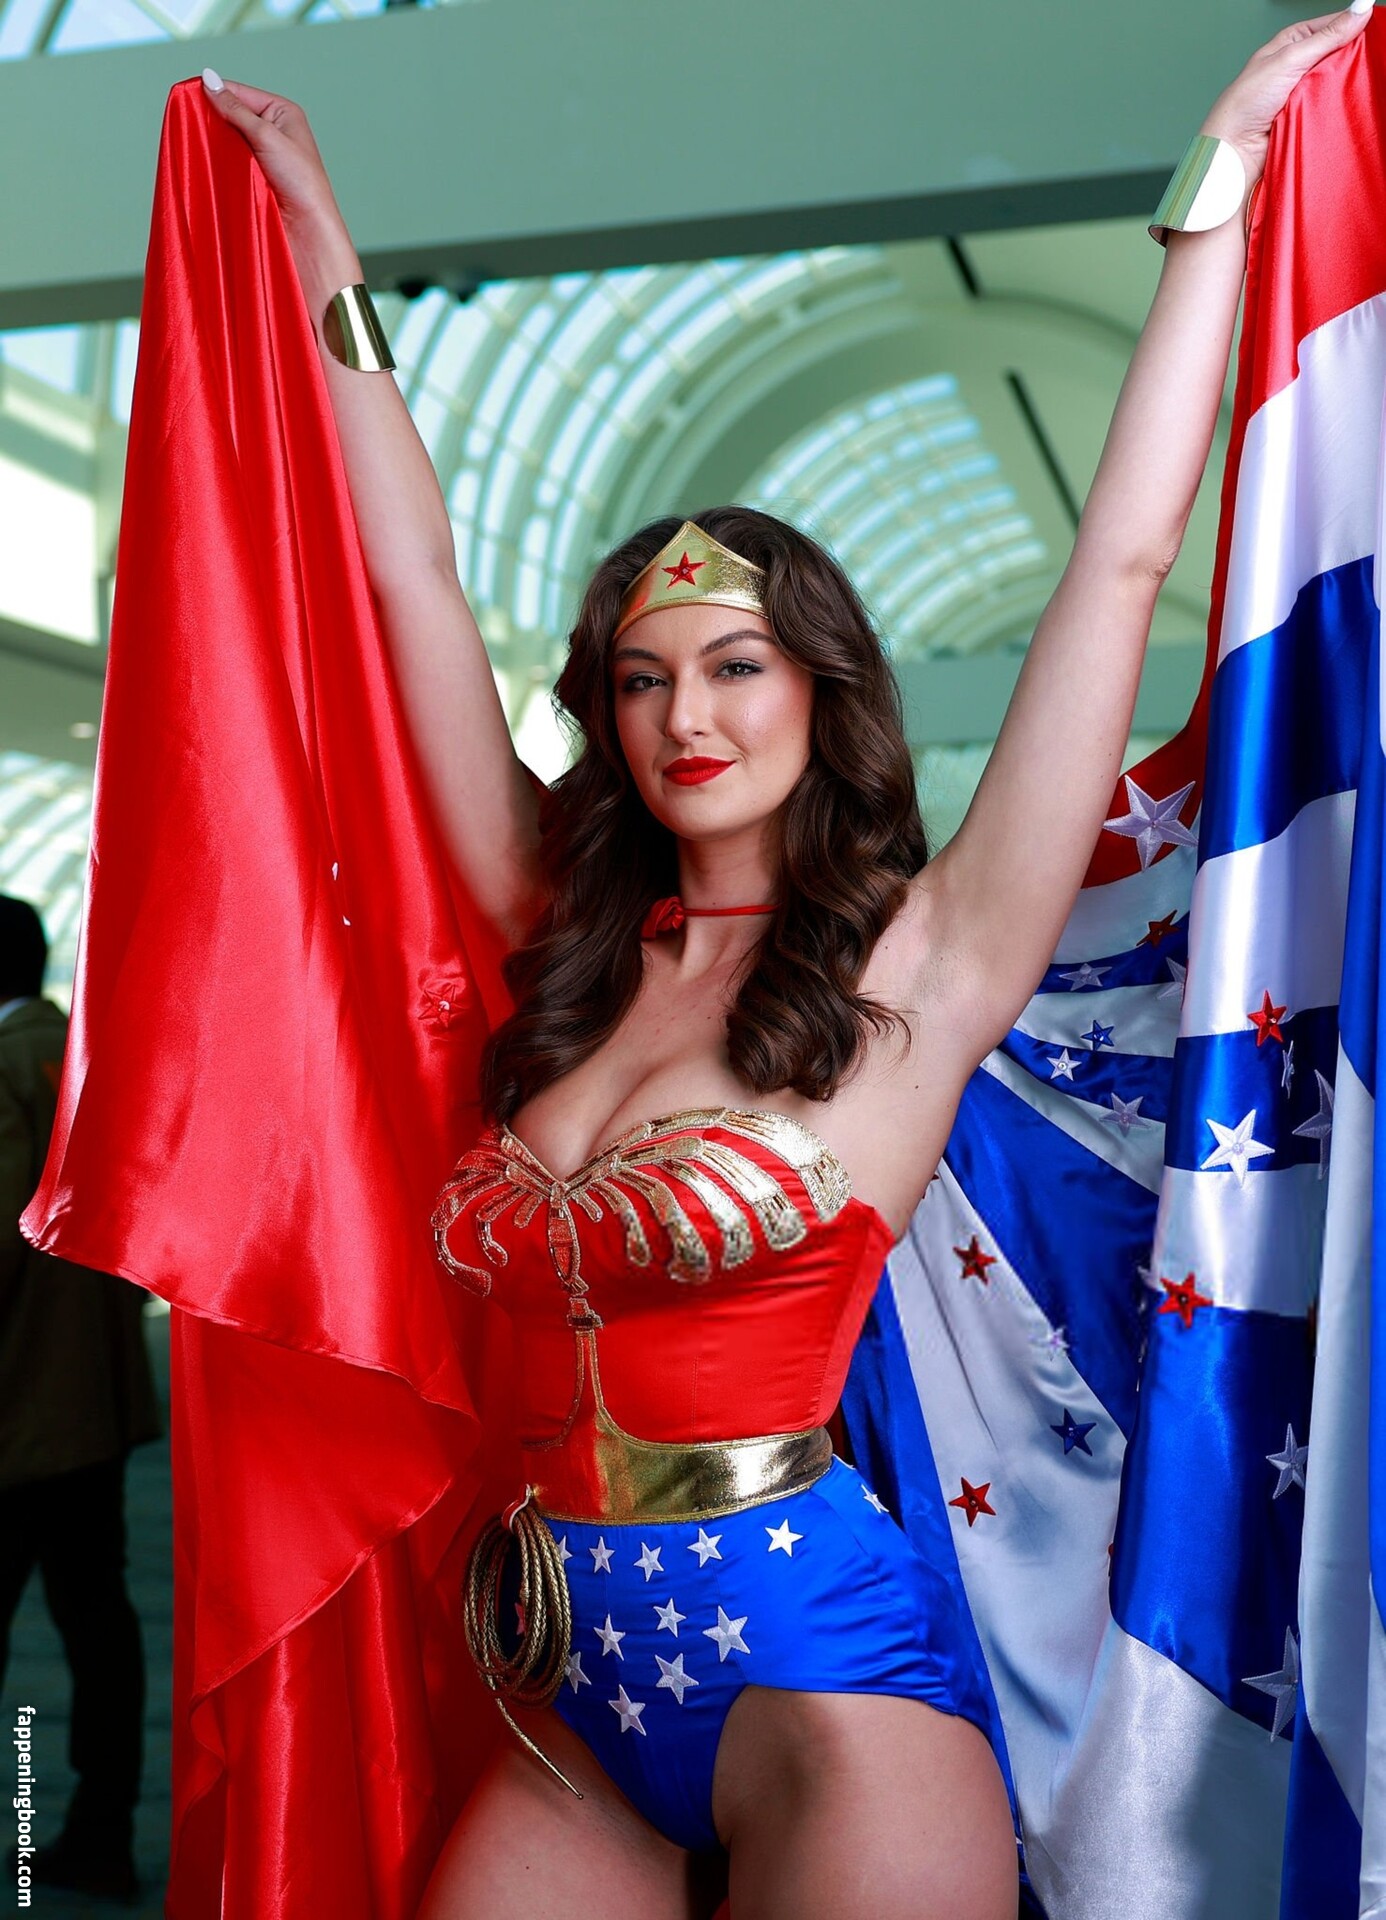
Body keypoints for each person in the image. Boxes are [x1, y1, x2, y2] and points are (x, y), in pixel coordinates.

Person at [195, 13, 1370, 1916]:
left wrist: (1220, 189)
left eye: (737, 666)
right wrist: (323, 256)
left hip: (826, 1684)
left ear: (824, 694)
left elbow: (1120, 561)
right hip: (560, 1691)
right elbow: (410, 586)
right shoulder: (564, 937)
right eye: (642, 679)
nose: (687, 716)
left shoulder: (926, 968)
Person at [0, 895, 161, 1902]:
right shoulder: (80, 1057)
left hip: (17, 1408)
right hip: (92, 1400)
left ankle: (41, 1834)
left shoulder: (4, 1066)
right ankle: (100, 1832)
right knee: (98, 1621)